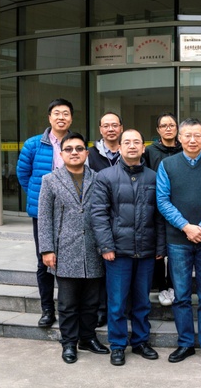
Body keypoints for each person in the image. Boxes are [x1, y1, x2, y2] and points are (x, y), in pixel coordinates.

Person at [91, 129, 166, 367]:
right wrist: (106, 245)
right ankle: (118, 345)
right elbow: (98, 214)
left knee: (142, 301)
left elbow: (160, 216)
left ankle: (141, 341)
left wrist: (160, 246)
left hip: (146, 250)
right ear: (120, 147)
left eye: (136, 142)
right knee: (117, 303)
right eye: (127, 142)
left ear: (143, 148)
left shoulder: (154, 177)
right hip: (117, 252)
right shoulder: (105, 176)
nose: (132, 146)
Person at [156, 118, 201, 366]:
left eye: (198, 135)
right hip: (178, 239)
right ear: (180, 138)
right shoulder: (167, 165)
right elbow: (162, 200)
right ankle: (185, 343)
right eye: (187, 135)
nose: (193, 140)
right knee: (182, 295)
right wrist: (186, 227)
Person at [38, 132, 109, 364]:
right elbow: (44, 217)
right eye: (69, 149)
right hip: (64, 250)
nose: (74, 152)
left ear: (86, 153)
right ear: (61, 154)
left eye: (79, 149)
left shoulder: (99, 178)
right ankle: (69, 343)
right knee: (68, 303)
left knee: (91, 301)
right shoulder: (50, 180)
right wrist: (47, 249)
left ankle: (87, 338)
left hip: (94, 249)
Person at [16, 98, 74, 328]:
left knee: (69, 261)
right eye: (57, 113)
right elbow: (23, 175)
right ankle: (47, 310)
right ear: (49, 117)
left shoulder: (75, 142)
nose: (61, 117)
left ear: (71, 118)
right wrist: (40, 199)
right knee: (45, 261)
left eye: (66, 113)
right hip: (43, 214)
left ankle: (70, 309)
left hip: (70, 212)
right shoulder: (33, 144)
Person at [87, 111, 124, 327]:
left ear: (121, 128)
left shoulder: (130, 150)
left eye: (114, 125)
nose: (111, 129)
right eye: (106, 125)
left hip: (126, 218)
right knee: (102, 266)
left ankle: (122, 309)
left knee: (122, 267)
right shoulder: (91, 155)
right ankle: (101, 309)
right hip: (99, 216)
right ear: (100, 129)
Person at [143, 112, 183, 308]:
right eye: (164, 126)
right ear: (158, 130)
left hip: (180, 207)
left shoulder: (184, 149)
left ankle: (174, 286)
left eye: (171, 125)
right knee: (158, 249)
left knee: (177, 249)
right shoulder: (150, 151)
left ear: (177, 128)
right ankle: (161, 287)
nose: (168, 128)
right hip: (156, 205)